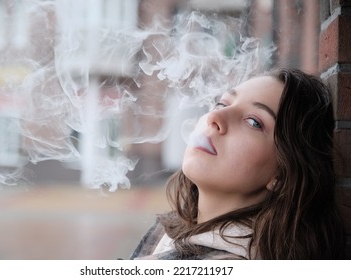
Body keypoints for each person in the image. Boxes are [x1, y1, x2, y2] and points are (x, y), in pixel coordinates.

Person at [130, 68, 346, 260]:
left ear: (281, 175)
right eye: (221, 103)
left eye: (254, 122)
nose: (214, 116)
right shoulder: (168, 231)